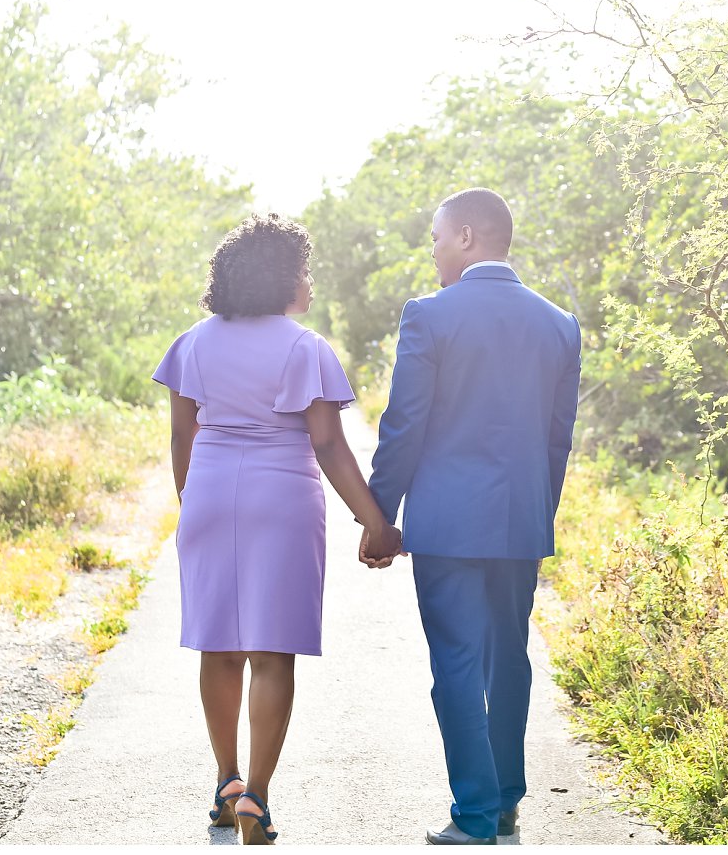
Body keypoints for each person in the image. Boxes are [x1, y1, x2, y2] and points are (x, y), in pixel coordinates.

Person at [153, 213, 402, 845]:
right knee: (270, 652)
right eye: (305, 270)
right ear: (284, 277)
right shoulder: (305, 348)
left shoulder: (193, 343)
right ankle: (256, 801)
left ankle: (226, 781)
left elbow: (183, 437)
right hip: (282, 499)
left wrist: (195, 502)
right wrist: (374, 521)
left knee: (218, 644)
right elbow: (327, 445)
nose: (309, 282)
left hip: (209, 493)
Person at [365, 187, 583, 846]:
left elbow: (405, 423)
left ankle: (475, 815)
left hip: (448, 525)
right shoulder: (559, 324)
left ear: (465, 237)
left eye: (436, 237)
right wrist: (537, 511)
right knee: (508, 659)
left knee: (458, 662)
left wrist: (380, 516)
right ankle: (507, 800)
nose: (432, 251)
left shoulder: (430, 316)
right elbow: (557, 436)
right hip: (520, 520)